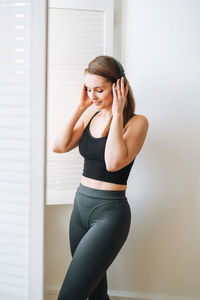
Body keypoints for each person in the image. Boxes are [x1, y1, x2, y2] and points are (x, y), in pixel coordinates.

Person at [52, 55, 149, 300]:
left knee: (70, 295)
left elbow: (114, 163)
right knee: (95, 293)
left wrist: (117, 114)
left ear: (119, 88)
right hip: (80, 207)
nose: (93, 95)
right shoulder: (90, 115)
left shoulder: (136, 123)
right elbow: (59, 146)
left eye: (99, 90)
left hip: (109, 214)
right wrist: (81, 107)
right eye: (88, 89)